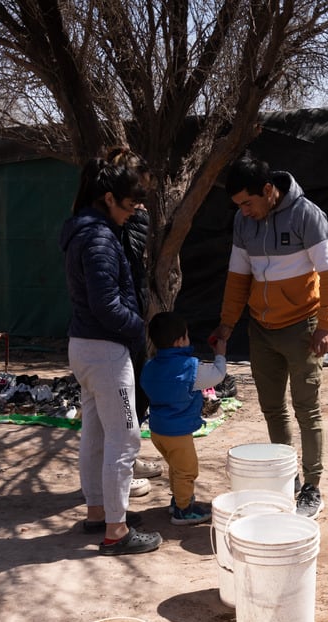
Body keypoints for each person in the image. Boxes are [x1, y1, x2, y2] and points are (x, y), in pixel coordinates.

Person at [212, 154, 328, 519]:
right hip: (261, 330)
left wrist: (325, 325)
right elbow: (238, 278)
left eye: (248, 202)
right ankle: (291, 480)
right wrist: (227, 324)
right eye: (238, 205)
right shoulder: (243, 221)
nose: (243, 211)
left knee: (307, 409)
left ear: (268, 190)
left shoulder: (307, 215)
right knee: (272, 408)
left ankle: (313, 487)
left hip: (302, 329)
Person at [61, 156, 162, 554]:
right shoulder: (100, 239)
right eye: (129, 205)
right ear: (108, 198)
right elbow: (107, 306)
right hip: (105, 351)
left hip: (84, 346)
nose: (134, 212)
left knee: (97, 434)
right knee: (125, 439)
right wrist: (140, 330)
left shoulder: (82, 231)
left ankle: (98, 512)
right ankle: (116, 532)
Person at [105, 146, 164, 488]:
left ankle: (122, 469)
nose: (141, 203)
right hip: (116, 331)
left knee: (130, 402)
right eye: (137, 196)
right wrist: (131, 328)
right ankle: (119, 482)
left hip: (127, 320)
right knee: (122, 410)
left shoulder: (117, 221)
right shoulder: (106, 229)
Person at [140, 312, 229, 525]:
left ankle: (178, 499)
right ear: (180, 341)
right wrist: (220, 354)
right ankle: (183, 509)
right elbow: (218, 374)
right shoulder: (189, 367)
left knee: (176, 467)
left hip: (157, 430)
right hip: (178, 433)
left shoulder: (150, 366)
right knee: (188, 470)